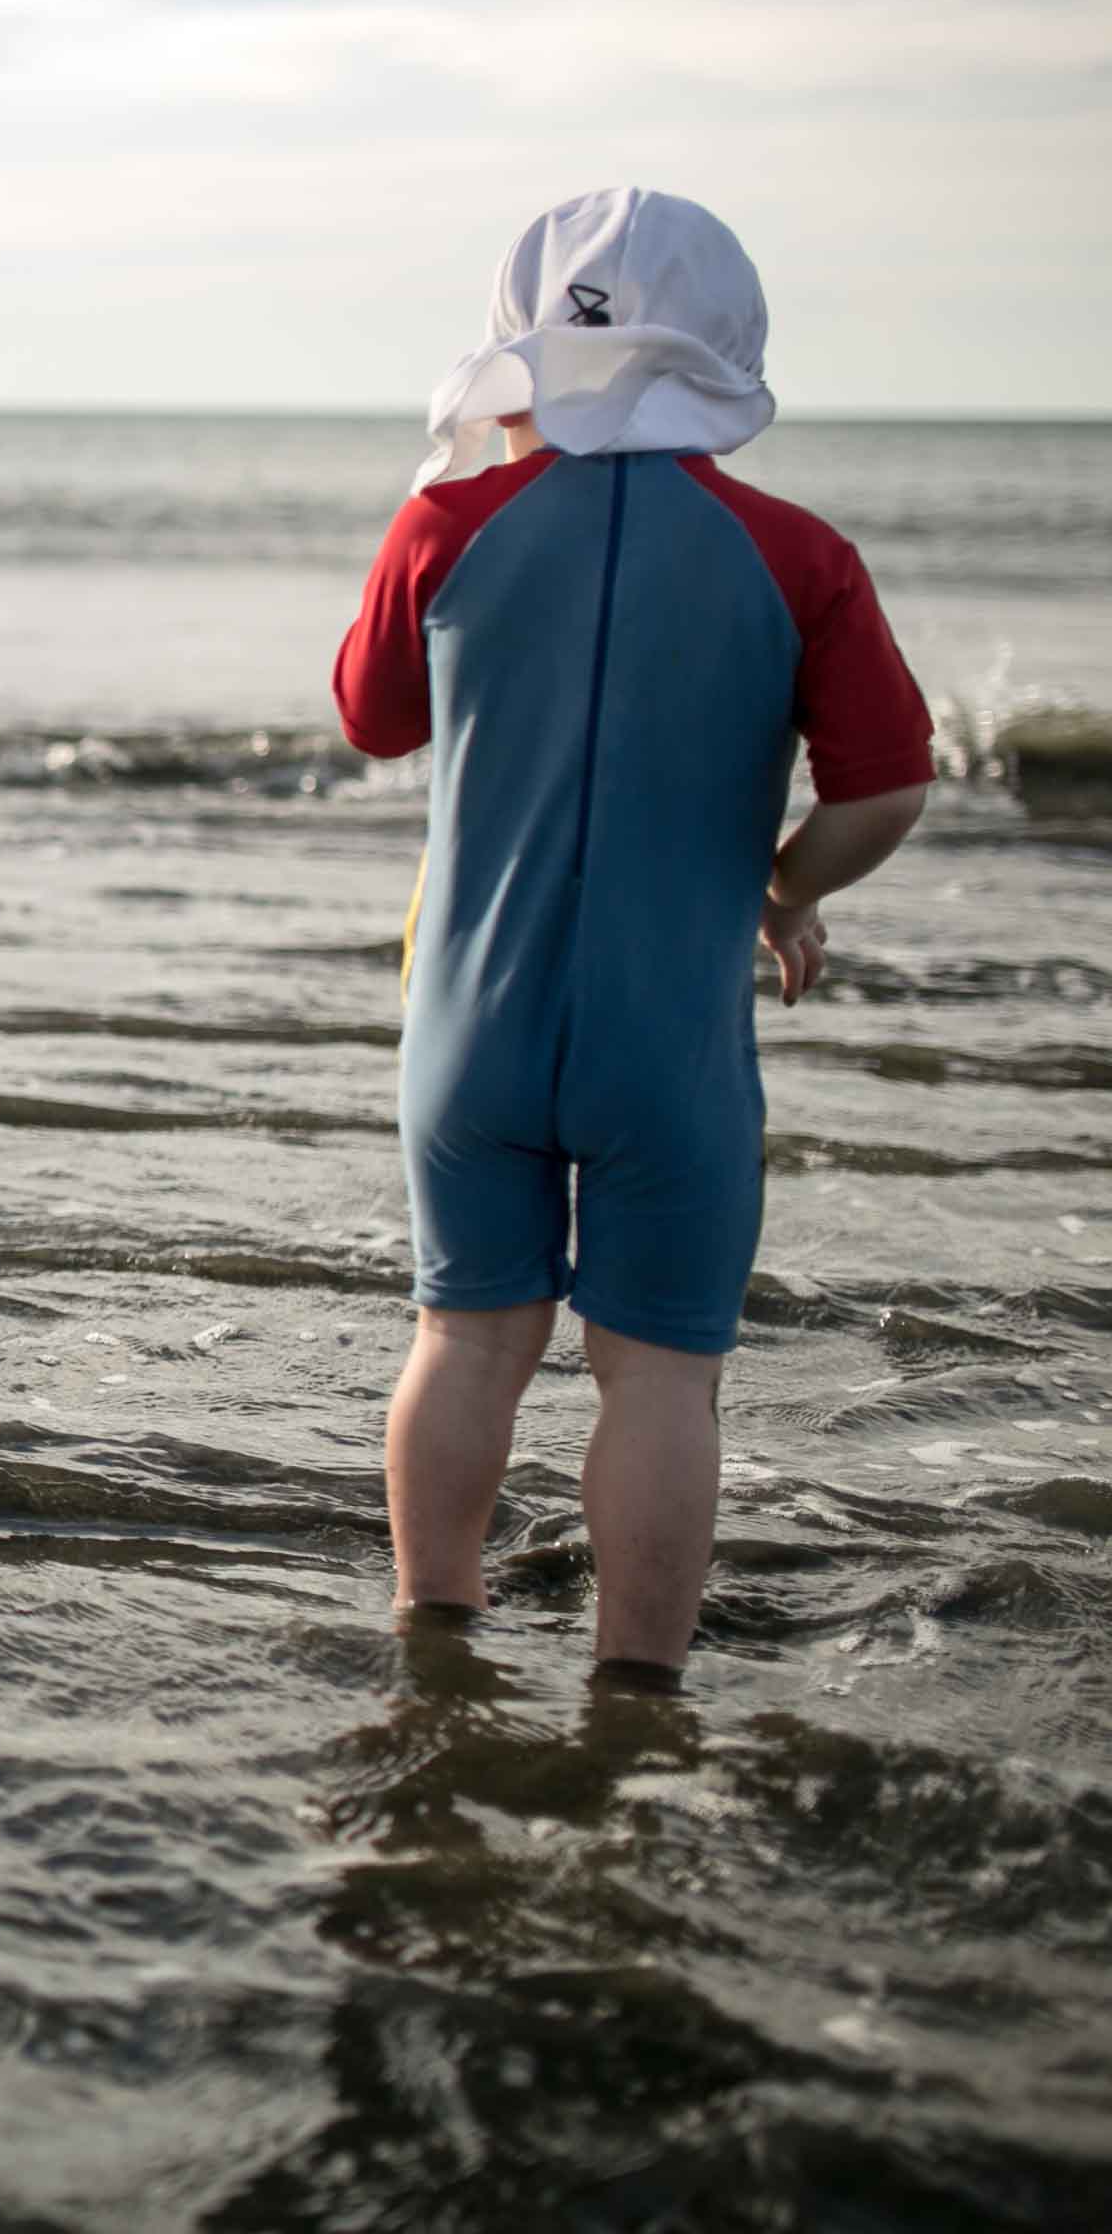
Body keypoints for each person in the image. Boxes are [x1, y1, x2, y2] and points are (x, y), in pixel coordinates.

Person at [332, 187, 936, 1690]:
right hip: (669, 1044)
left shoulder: (448, 524)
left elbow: (372, 718)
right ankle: (638, 1691)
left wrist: (462, 512)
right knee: (662, 1374)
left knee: (466, 1339)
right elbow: (886, 787)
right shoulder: (798, 556)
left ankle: (434, 1639)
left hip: (470, 1026)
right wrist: (782, 887)